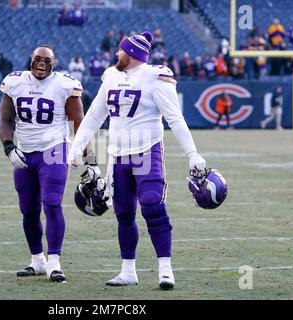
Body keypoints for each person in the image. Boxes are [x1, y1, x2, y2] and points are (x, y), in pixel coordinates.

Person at [67, 32, 206, 290]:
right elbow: (94, 116)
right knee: (123, 213)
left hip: (146, 151)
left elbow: (175, 119)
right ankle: (128, 270)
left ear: (130, 54)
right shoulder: (110, 76)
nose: (116, 54)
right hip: (118, 155)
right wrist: (77, 147)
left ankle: (165, 269)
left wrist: (192, 154)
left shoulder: (156, 77)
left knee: (152, 203)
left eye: (121, 51)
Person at [0, 45, 90, 283]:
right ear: (31, 60)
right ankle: (37, 260)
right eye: (38, 59)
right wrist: (9, 147)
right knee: (28, 209)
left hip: (54, 149)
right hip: (25, 152)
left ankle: (54, 262)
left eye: (47, 60)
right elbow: (6, 118)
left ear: (54, 63)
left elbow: (79, 122)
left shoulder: (64, 84)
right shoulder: (15, 82)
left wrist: (88, 157)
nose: (42, 63)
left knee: (51, 203)